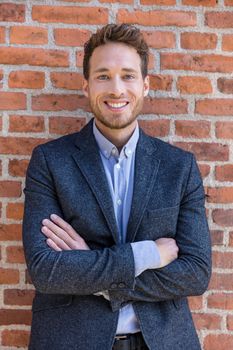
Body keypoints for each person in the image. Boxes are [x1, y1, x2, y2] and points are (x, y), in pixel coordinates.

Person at [22, 24, 211, 350]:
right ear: (86, 86)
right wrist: (147, 253)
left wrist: (91, 268)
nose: (116, 89)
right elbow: (46, 269)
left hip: (163, 341)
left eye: (127, 75)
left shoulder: (179, 167)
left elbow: (195, 273)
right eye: (103, 76)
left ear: (146, 85)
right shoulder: (50, 161)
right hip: (71, 340)